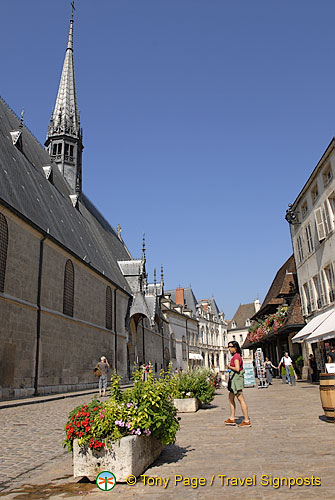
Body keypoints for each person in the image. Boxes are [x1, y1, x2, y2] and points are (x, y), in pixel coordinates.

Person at [224, 341, 251, 427]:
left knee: (240, 399)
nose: (229, 348)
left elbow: (237, 368)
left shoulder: (236, 356)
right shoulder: (236, 356)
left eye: (231, 347)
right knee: (231, 398)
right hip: (233, 380)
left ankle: (246, 420)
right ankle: (232, 418)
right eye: (228, 346)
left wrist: (229, 366)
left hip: (236, 380)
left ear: (235, 347)